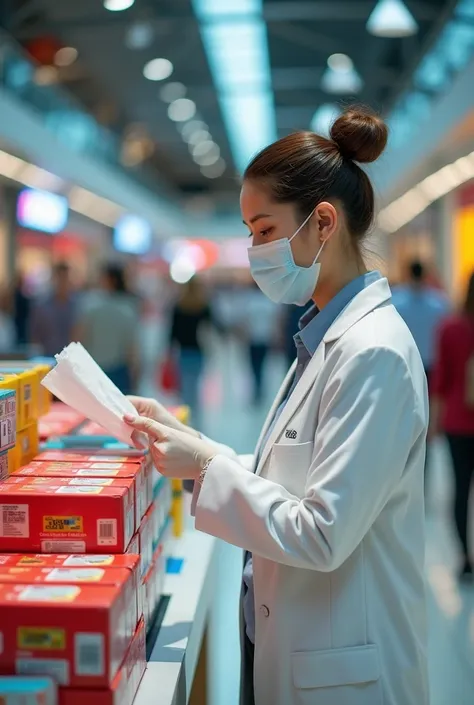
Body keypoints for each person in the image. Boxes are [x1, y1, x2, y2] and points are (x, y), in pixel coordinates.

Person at [125, 107, 429, 705]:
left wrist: (210, 470)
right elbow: (291, 472)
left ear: (322, 223)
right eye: (249, 233)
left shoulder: (373, 353)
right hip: (294, 649)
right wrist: (199, 452)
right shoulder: (321, 338)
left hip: (346, 677)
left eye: (264, 230)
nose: (254, 250)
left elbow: (321, 531)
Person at [431, 272, 474, 580]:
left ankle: (464, 557)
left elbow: (441, 380)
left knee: (460, 490)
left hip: (458, 423)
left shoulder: (451, 328)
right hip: (460, 421)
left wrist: (434, 422)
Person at [74, 264, 139, 395]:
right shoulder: (128, 308)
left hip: (93, 368)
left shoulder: (91, 305)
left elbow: (77, 338)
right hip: (119, 370)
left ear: (109, 280)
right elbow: (131, 348)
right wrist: (135, 373)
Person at [391, 260, 450, 381]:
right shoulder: (438, 303)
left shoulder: (395, 302)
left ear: (407, 274)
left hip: (406, 360)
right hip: (430, 361)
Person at [168, 277, 216, 420]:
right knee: (195, 385)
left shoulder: (178, 306)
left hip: (183, 351)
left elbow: (172, 332)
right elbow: (213, 327)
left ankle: (184, 414)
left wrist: (169, 352)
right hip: (199, 351)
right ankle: (195, 415)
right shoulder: (203, 306)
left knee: (184, 386)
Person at [241, 282, 279, 405]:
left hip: (253, 339)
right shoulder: (269, 301)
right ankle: (260, 390)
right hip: (265, 338)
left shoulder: (249, 301)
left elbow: (246, 321)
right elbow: (275, 321)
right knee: (262, 366)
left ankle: (256, 391)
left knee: (254, 367)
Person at [29, 262, 77, 357]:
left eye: (65, 278)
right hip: (48, 356)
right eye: (60, 278)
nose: (62, 282)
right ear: (54, 279)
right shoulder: (42, 306)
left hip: (71, 359)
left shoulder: (76, 306)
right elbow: (34, 335)